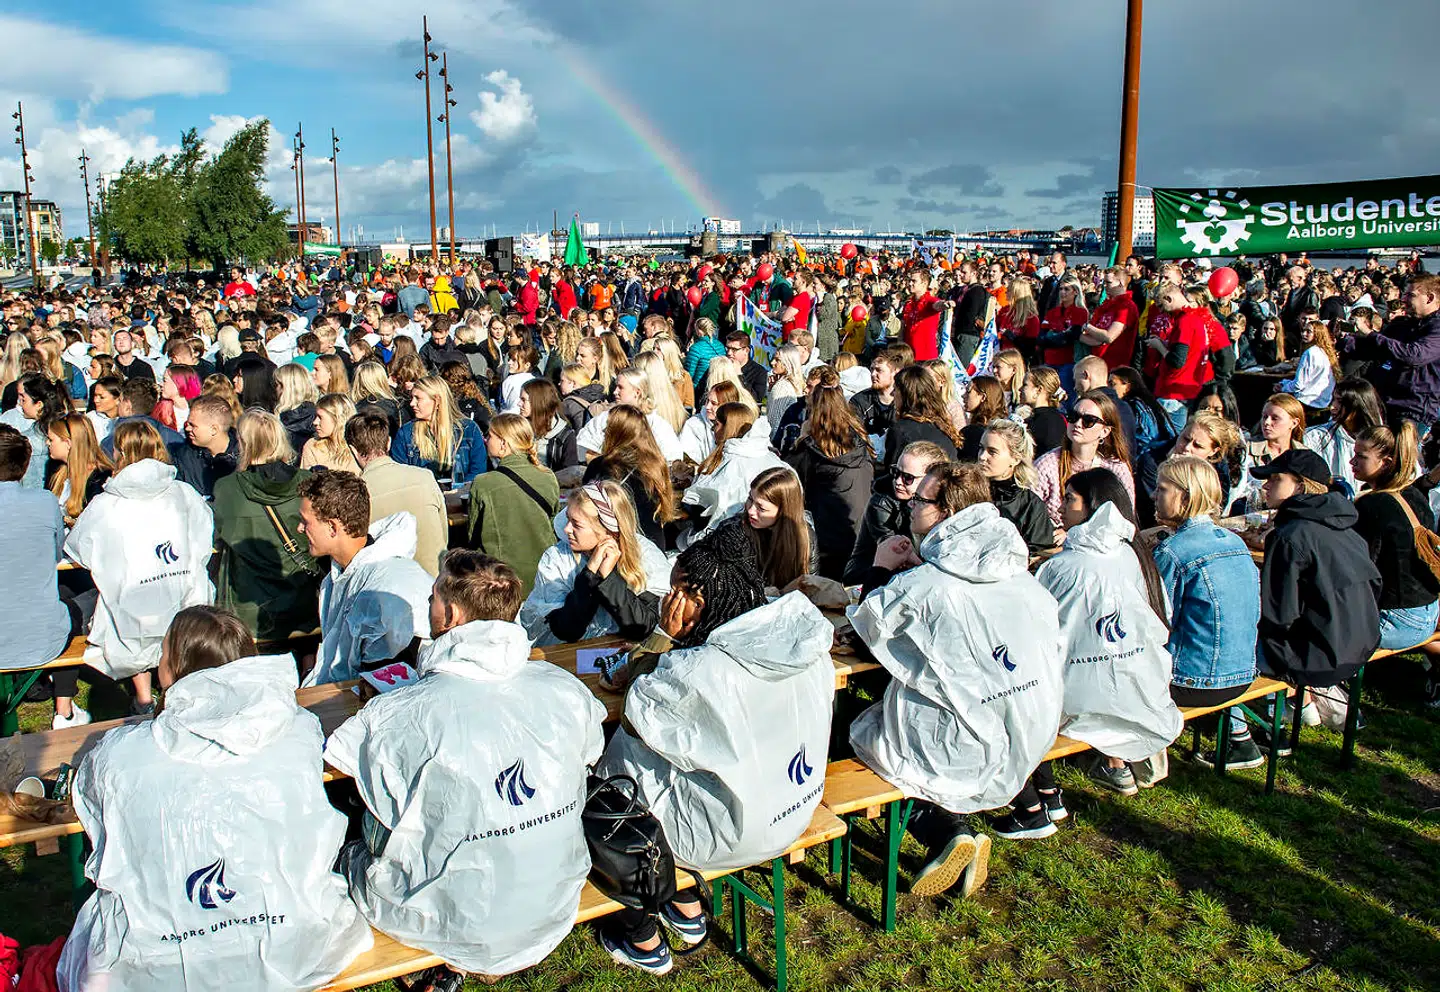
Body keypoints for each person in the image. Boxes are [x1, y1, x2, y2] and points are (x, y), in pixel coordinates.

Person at [57, 606, 371, 992]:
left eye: (165, 653)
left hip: (163, 954)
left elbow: (96, 819)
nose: (158, 662)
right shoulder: (297, 729)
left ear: (177, 668)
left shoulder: (120, 755)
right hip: (290, 932)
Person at [324, 552, 603, 986]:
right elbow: (589, 753)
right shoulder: (564, 689)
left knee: (358, 825)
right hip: (552, 889)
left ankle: (446, 961)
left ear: (450, 615)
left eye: (433, 595)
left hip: (449, 913)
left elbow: (342, 763)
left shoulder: (400, 714)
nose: (427, 601)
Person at [595, 525, 834, 975]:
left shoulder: (700, 672)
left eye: (673, 592)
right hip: (794, 802)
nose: (667, 599)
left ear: (694, 601)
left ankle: (640, 929)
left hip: (730, 832)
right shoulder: (800, 641)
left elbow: (636, 709)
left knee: (608, 784)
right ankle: (685, 906)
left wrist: (663, 636)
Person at [849, 462, 1062, 895]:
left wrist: (881, 566)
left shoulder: (930, 584)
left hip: (958, 739)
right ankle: (954, 832)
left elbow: (867, 628)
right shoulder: (1016, 572)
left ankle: (944, 831)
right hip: (1026, 725)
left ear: (946, 513)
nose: (909, 503)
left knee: (864, 731)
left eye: (922, 500)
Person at [1027, 469, 1182, 812]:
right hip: (1139, 685)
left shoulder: (1063, 568)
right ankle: (1118, 762)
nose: (1062, 507)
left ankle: (1043, 801)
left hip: (1079, 697)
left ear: (1093, 507)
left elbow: (1035, 632)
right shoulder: (1134, 554)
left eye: (1069, 499)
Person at [65, 420, 214, 716]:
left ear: (119, 452)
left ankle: (144, 697)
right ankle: (172, 691)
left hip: (136, 603)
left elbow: (79, 548)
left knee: (124, 609)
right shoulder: (183, 493)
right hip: (181, 593)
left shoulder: (107, 503)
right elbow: (203, 533)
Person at [1151, 456, 1264, 767]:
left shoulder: (1174, 551)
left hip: (1192, 681)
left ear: (1185, 497)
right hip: (1243, 673)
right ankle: (1239, 734)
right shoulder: (1235, 542)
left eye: (1161, 489)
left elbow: (1154, 620)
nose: (1153, 495)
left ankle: (1125, 761)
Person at [1253, 449, 1381, 694]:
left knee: (1226, 646)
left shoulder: (1289, 536)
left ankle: (1244, 726)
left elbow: (1278, 615)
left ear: (1300, 487)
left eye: (1275, 479)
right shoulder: (1346, 526)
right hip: (1362, 645)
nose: (1266, 486)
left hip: (1317, 660)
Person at [297, 471, 434, 686]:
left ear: (333, 527)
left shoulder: (384, 587)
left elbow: (388, 683)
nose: (300, 529)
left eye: (306, 522)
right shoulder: (338, 576)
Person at [0, 424, 95, 728]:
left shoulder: (42, 501)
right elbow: (56, 554)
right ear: (25, 463)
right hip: (42, 636)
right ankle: (64, 709)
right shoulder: (43, 502)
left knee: (60, 603)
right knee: (77, 601)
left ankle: (61, 705)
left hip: (31, 632)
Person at [518, 481, 670, 646]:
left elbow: (642, 627)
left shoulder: (644, 555)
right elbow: (565, 629)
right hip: (567, 655)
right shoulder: (558, 557)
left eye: (576, 524)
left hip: (621, 655)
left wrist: (609, 578)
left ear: (608, 532)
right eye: (568, 519)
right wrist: (590, 576)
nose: (567, 529)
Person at [212, 411, 318, 641]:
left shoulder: (227, 489)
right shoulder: (308, 482)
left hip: (249, 607)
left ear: (242, 443)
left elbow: (217, 537)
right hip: (303, 602)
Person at [1350, 422, 1440, 652]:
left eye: (1360, 457)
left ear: (1386, 463)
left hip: (1396, 621)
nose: (1352, 462)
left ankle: (1324, 685)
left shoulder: (1373, 505)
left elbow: (1357, 570)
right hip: (1429, 612)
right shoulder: (1414, 494)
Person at [784, 383, 875, 579]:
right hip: (863, 532)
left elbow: (788, 477)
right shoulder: (860, 442)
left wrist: (801, 437)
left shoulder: (810, 450)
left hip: (828, 537)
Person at [467, 413, 561, 597]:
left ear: (504, 443)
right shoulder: (548, 476)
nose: (486, 440)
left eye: (490, 435)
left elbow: (473, 537)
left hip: (502, 580)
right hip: (544, 574)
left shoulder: (484, 483)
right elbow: (552, 523)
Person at [346, 413, 449, 577]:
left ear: (352, 450)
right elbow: (443, 534)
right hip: (435, 582)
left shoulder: (353, 495)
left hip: (386, 590)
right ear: (388, 443)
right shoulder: (424, 477)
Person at [844, 440, 949, 588]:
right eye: (896, 472)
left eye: (908, 478)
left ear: (930, 481)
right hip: (869, 577)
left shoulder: (940, 505)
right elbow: (898, 552)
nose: (898, 481)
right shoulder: (881, 503)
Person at [1343, 273, 1440, 428]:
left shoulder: (1436, 328)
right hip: (1385, 404)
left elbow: (1414, 355)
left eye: (1411, 295)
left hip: (1415, 411)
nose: (1404, 299)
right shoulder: (1402, 325)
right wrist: (1342, 339)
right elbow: (1371, 350)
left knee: (1404, 452)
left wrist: (1370, 333)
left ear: (1429, 298)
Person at [582, 405, 682, 550]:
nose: (604, 432)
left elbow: (586, 509)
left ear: (617, 433)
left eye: (608, 427)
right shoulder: (657, 465)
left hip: (622, 547)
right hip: (654, 546)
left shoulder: (601, 466)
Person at [1033, 391, 1134, 531]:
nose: (1078, 424)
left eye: (1088, 420)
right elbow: (1030, 516)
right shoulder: (1046, 465)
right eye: (1073, 417)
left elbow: (1126, 519)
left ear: (1105, 431)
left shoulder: (1116, 468)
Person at [683, 402, 789, 535]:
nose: (712, 430)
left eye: (716, 424)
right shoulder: (769, 456)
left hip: (733, 535)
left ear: (728, 428)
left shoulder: (731, 463)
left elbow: (703, 507)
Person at [717, 466, 817, 590]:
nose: (750, 510)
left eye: (761, 508)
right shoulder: (733, 532)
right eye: (750, 499)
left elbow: (810, 585)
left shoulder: (805, 538)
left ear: (784, 511)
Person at [390, 375, 487, 486]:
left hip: (461, 496)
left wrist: (456, 492)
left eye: (418, 398)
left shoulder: (468, 429)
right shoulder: (406, 433)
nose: (412, 403)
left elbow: (478, 472)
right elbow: (399, 474)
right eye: (412, 398)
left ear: (437, 400)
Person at [574, 368, 685, 463]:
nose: (615, 392)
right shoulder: (604, 419)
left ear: (637, 392)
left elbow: (672, 458)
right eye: (616, 387)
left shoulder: (657, 426)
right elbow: (582, 447)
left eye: (620, 387)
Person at [976, 418, 1054, 553]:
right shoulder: (966, 491)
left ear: (1015, 458)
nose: (982, 456)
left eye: (992, 451)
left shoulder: (1030, 505)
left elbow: (1038, 554)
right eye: (981, 448)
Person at [1304, 377, 1384, 497]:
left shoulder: (1382, 440)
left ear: (1358, 405)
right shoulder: (1314, 437)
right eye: (1333, 400)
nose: (1332, 407)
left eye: (1340, 402)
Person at [883, 364, 961, 474]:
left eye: (895, 389)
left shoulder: (901, 429)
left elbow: (893, 472)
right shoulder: (943, 425)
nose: (892, 394)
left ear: (906, 394)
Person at [46, 413, 114, 527]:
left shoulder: (100, 479)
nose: (47, 443)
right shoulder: (57, 471)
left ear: (68, 443)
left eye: (51, 439)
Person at [169, 394, 239, 499]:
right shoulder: (182, 457)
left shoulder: (245, 457)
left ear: (214, 429)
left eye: (193, 425)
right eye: (188, 424)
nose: (187, 428)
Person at [1, 372, 62, 488]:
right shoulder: (64, 428)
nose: (20, 404)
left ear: (39, 404)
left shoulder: (28, 441)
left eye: (24, 400)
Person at [1279, 319, 1340, 416]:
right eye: (1303, 331)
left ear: (1318, 334)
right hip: (1324, 402)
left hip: (1306, 402)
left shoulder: (1310, 353)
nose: (1304, 334)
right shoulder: (1328, 353)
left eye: (1308, 332)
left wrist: (1283, 387)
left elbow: (1298, 385)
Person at [519, 377, 580, 473]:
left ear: (538, 402)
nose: (519, 404)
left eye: (523, 400)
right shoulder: (518, 428)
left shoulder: (565, 436)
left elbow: (570, 473)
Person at [299, 392, 361, 473]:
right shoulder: (312, 446)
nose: (315, 422)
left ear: (337, 419)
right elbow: (306, 481)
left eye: (320, 417)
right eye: (316, 416)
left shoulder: (360, 446)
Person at [1019, 366, 1068, 457]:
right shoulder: (1053, 417)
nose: (1020, 389)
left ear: (1039, 390)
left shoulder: (1045, 421)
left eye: (1025, 385)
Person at [958, 375, 1007, 461]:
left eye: (968, 392)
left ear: (983, 397)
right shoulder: (1005, 428)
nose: (963, 396)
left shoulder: (972, 432)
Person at [274, 362, 319, 453]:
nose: (275, 389)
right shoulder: (319, 416)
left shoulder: (282, 421)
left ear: (286, 388)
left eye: (277, 384)